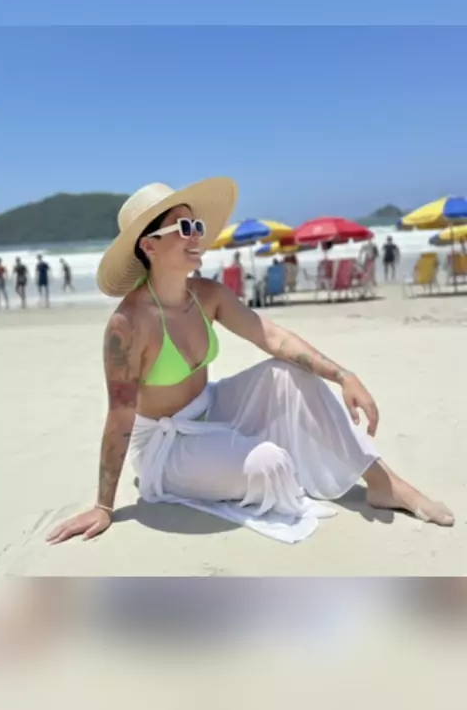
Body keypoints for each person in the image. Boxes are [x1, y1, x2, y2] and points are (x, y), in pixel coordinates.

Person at [47, 177, 453, 546]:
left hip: (210, 406)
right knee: (269, 464)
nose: (197, 235)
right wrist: (103, 506)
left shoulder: (207, 295)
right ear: (149, 245)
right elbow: (120, 415)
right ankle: (256, 456)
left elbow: (271, 336)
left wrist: (343, 375)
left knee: (288, 374)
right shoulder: (128, 325)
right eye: (184, 228)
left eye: (197, 226)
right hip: (165, 447)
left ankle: (383, 483)